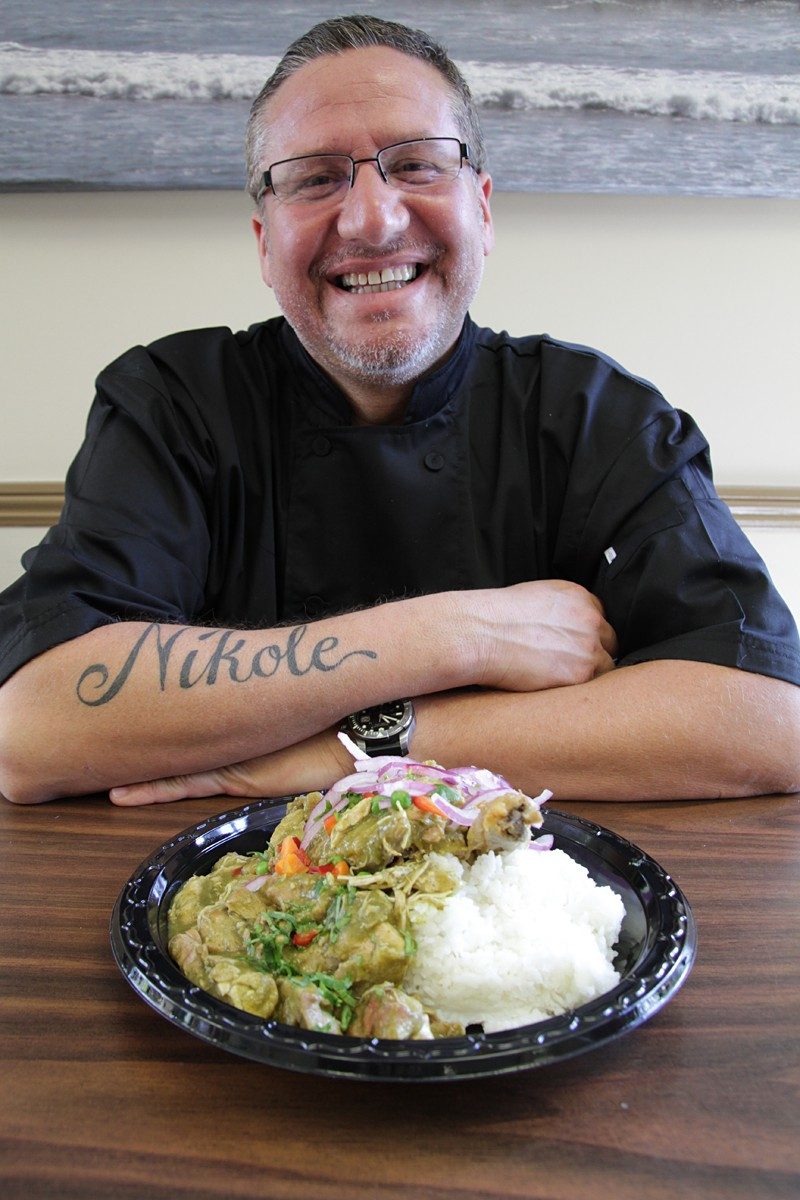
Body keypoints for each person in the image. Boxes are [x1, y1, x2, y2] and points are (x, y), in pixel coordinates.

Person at [0, 14, 798, 808]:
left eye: (417, 164)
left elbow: (768, 720)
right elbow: (32, 729)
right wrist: (460, 634)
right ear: (264, 241)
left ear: (483, 209)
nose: (373, 219)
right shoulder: (174, 404)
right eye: (315, 178)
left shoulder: (597, 417)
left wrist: (355, 750)